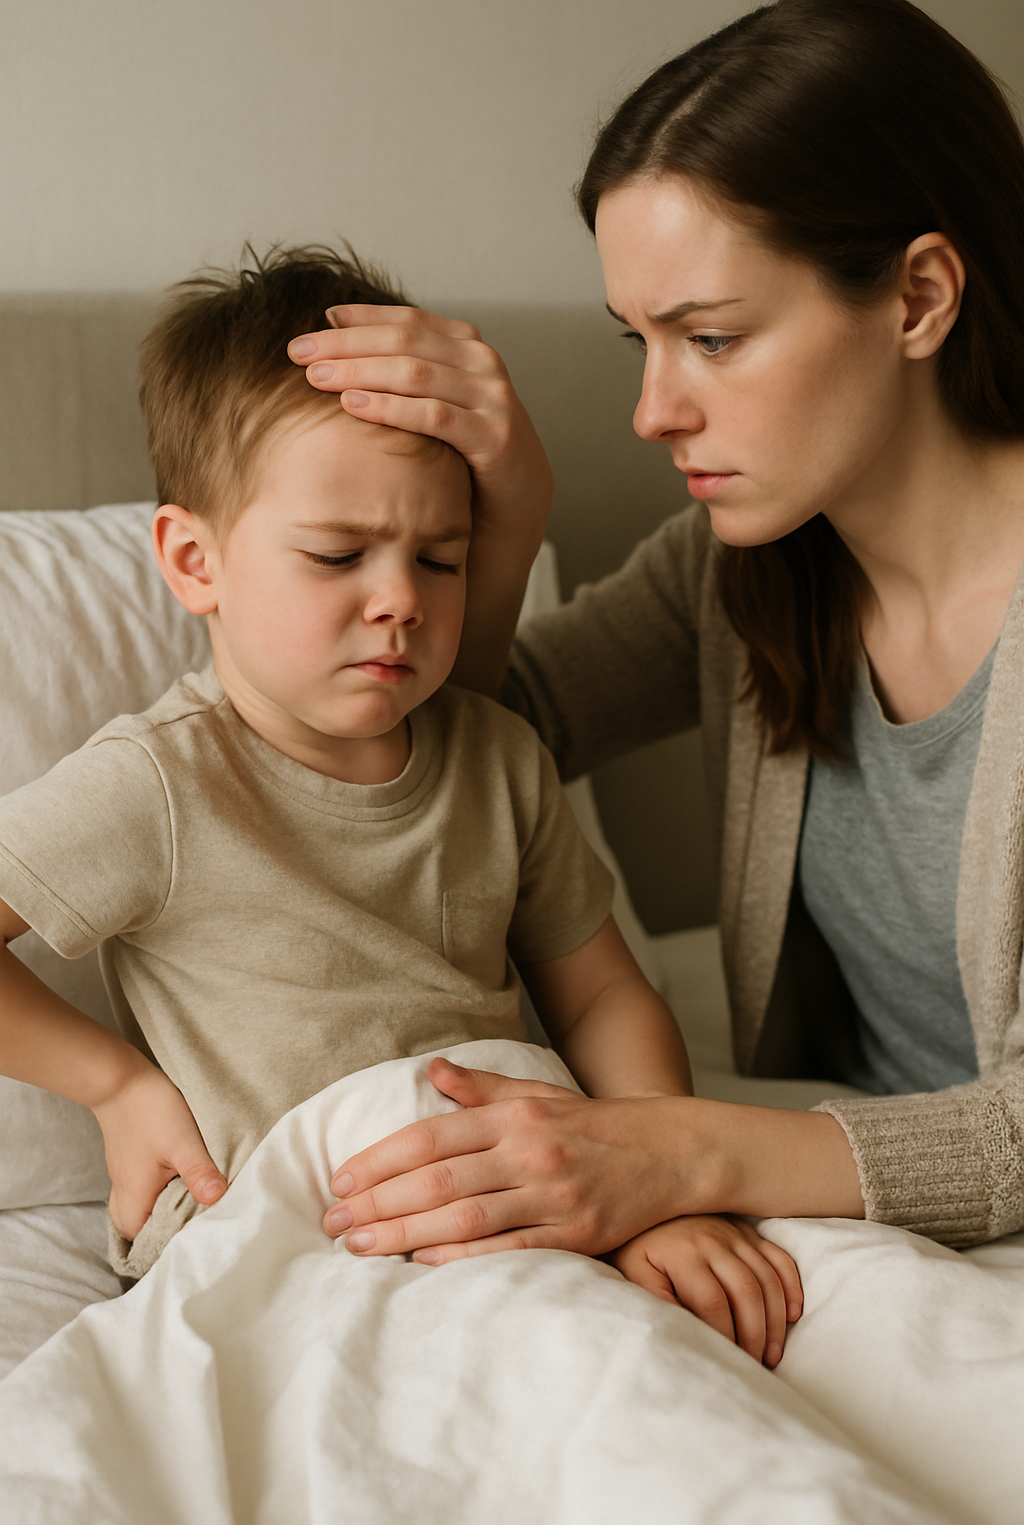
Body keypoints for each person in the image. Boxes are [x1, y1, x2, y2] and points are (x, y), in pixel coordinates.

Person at [289, 0, 1024, 1263]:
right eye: (639, 342)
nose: (650, 410)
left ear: (916, 298)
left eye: (712, 339)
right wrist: (506, 515)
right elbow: (450, 748)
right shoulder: (739, 569)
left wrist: (676, 1148)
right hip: (854, 1206)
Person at [0, 245, 800, 1361]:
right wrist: (115, 1084)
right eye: (337, 556)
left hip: (505, 1199)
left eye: (440, 560)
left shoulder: (496, 756)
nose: (399, 604)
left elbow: (604, 993)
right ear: (194, 562)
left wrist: (662, 1176)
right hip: (286, 1232)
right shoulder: (163, 782)